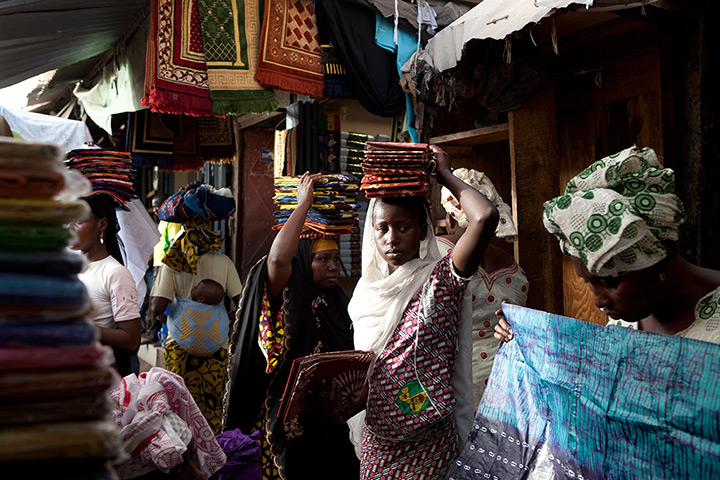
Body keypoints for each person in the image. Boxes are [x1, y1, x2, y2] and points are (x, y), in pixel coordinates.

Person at [347, 145, 499, 480]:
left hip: (430, 443)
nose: (392, 239)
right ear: (371, 234)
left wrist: (445, 175)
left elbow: (485, 217)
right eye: (382, 228)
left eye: (403, 227)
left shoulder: (442, 280)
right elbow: (371, 374)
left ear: (423, 231)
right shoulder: (366, 295)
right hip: (380, 445)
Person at [495, 146, 720, 344]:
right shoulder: (625, 325)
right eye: (589, 283)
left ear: (663, 256)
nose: (598, 301)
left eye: (610, 282)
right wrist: (525, 339)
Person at [224, 172, 359, 480]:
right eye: (323, 259)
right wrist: (303, 206)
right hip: (288, 419)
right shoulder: (290, 289)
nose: (333, 266)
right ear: (303, 261)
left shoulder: (338, 299)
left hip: (331, 418)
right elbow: (276, 261)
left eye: (336, 259)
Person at [438, 168, 528, 407]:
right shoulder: (514, 269)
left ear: (449, 219)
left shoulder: (436, 254)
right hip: (507, 387)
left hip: (453, 385)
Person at [150, 215, 243, 435]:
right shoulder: (224, 263)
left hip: (179, 348)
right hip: (217, 348)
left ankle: (185, 458)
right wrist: (226, 318)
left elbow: (157, 307)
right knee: (213, 406)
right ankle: (213, 454)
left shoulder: (173, 264)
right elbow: (243, 303)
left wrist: (168, 318)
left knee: (180, 407)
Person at [70, 193, 141, 376]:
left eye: (78, 221)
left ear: (102, 224)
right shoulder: (72, 270)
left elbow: (132, 341)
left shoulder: (115, 273)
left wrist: (80, 327)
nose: (70, 228)